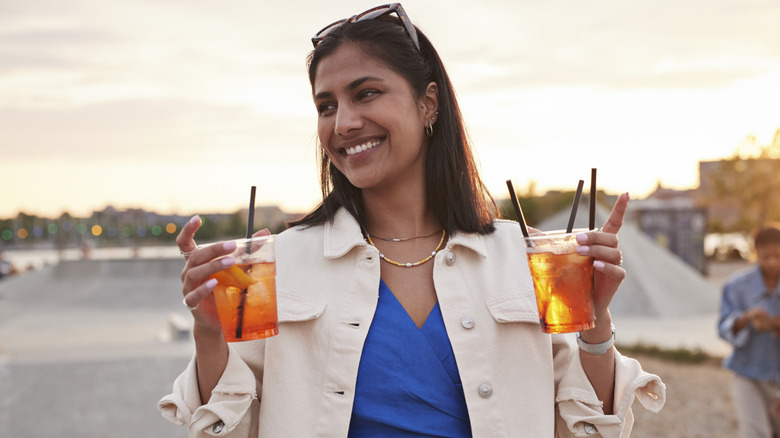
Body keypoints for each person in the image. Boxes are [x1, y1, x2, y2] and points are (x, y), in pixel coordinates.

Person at [159, 4, 665, 437]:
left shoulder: (523, 259)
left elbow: (587, 426)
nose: (343, 123)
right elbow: (227, 426)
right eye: (326, 105)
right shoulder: (276, 265)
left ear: (428, 103)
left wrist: (595, 327)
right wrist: (209, 332)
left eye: (367, 93)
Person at [719, 225, 780, 438]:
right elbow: (723, 327)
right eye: (765, 256)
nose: (772, 262)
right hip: (748, 374)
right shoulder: (737, 285)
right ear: (755, 253)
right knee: (756, 433)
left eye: (778, 256)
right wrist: (745, 318)